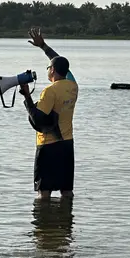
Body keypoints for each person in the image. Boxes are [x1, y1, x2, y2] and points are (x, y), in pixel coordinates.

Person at [21, 27, 79, 201]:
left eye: (48, 68)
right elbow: (61, 63)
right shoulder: (73, 86)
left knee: (43, 192)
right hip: (67, 144)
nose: (47, 70)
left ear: (52, 70)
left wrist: (27, 98)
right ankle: (66, 223)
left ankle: (44, 225)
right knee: (66, 191)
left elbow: (38, 121)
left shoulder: (49, 91)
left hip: (48, 146)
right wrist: (44, 47)